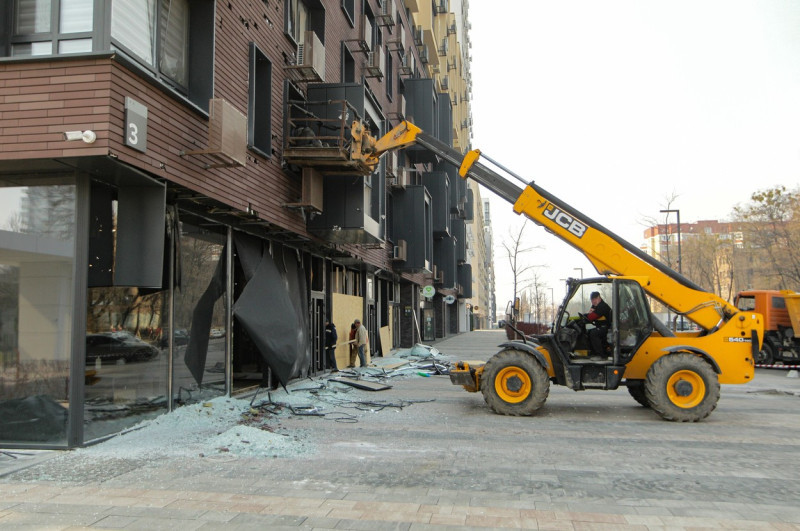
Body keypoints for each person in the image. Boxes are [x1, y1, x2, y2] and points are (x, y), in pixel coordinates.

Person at [586, 291, 612, 359]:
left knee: (593, 333)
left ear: (599, 298)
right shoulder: (596, 306)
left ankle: (600, 355)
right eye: (592, 300)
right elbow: (590, 316)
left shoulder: (602, 306)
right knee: (588, 332)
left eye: (594, 299)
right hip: (601, 327)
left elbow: (591, 317)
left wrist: (589, 314)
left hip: (607, 328)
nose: (593, 301)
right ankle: (593, 352)